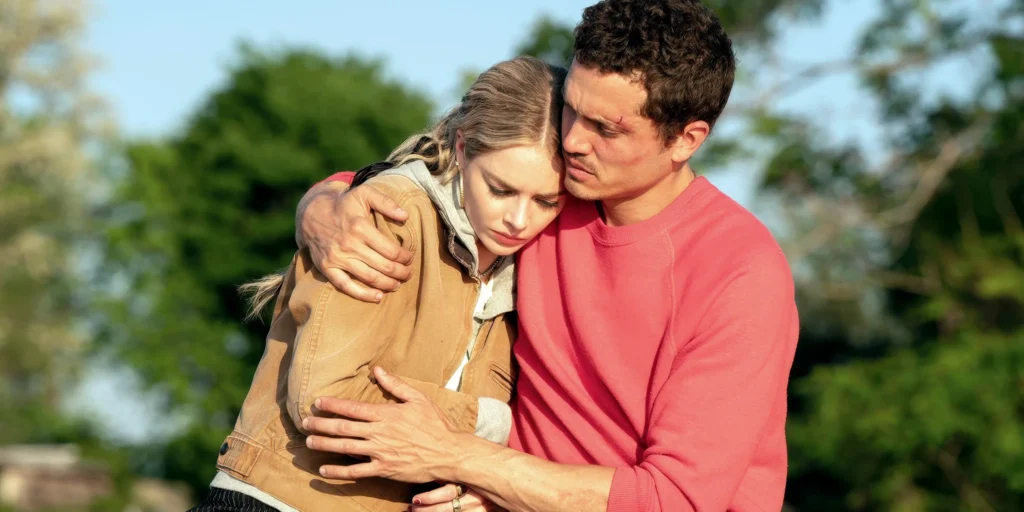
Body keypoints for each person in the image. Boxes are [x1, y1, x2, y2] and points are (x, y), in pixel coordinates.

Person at [296, 1, 800, 511]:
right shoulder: (545, 198)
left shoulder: (741, 273)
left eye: (606, 128)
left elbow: (674, 499)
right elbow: (428, 183)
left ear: (686, 140)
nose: (574, 140)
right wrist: (323, 203)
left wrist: (460, 458)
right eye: (572, 108)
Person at [189, 56, 568, 512]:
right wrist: (496, 427)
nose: (519, 220)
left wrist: (471, 472)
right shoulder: (388, 215)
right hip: (277, 500)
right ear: (464, 148)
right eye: (501, 190)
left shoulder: (535, 265)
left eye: (546, 201)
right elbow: (324, 401)